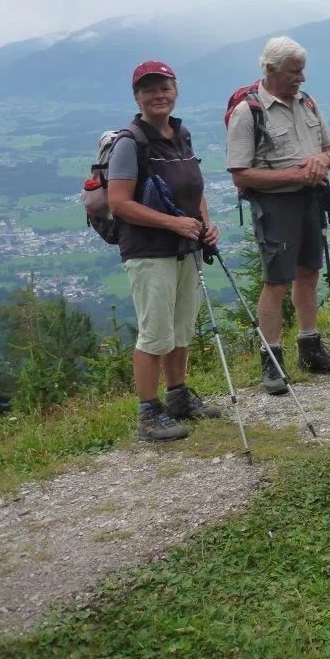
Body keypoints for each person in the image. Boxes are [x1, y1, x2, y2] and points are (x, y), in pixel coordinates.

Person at [107, 60, 222, 442]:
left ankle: (178, 397)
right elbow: (119, 203)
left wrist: (204, 223)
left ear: (175, 90)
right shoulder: (130, 142)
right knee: (155, 332)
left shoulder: (180, 134)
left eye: (165, 87)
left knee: (180, 328)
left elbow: (194, 188)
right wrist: (174, 224)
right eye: (150, 89)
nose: (159, 95)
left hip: (183, 247)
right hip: (148, 251)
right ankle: (148, 413)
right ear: (137, 97)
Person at [226, 36, 330, 394]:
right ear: (270, 69)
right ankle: (272, 361)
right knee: (276, 281)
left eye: (302, 70)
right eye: (295, 71)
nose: (302, 78)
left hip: (311, 199)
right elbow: (240, 173)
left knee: (308, 273)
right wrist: (295, 174)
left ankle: (310, 347)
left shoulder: (307, 103)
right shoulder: (249, 112)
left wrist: (321, 161)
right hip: (276, 205)